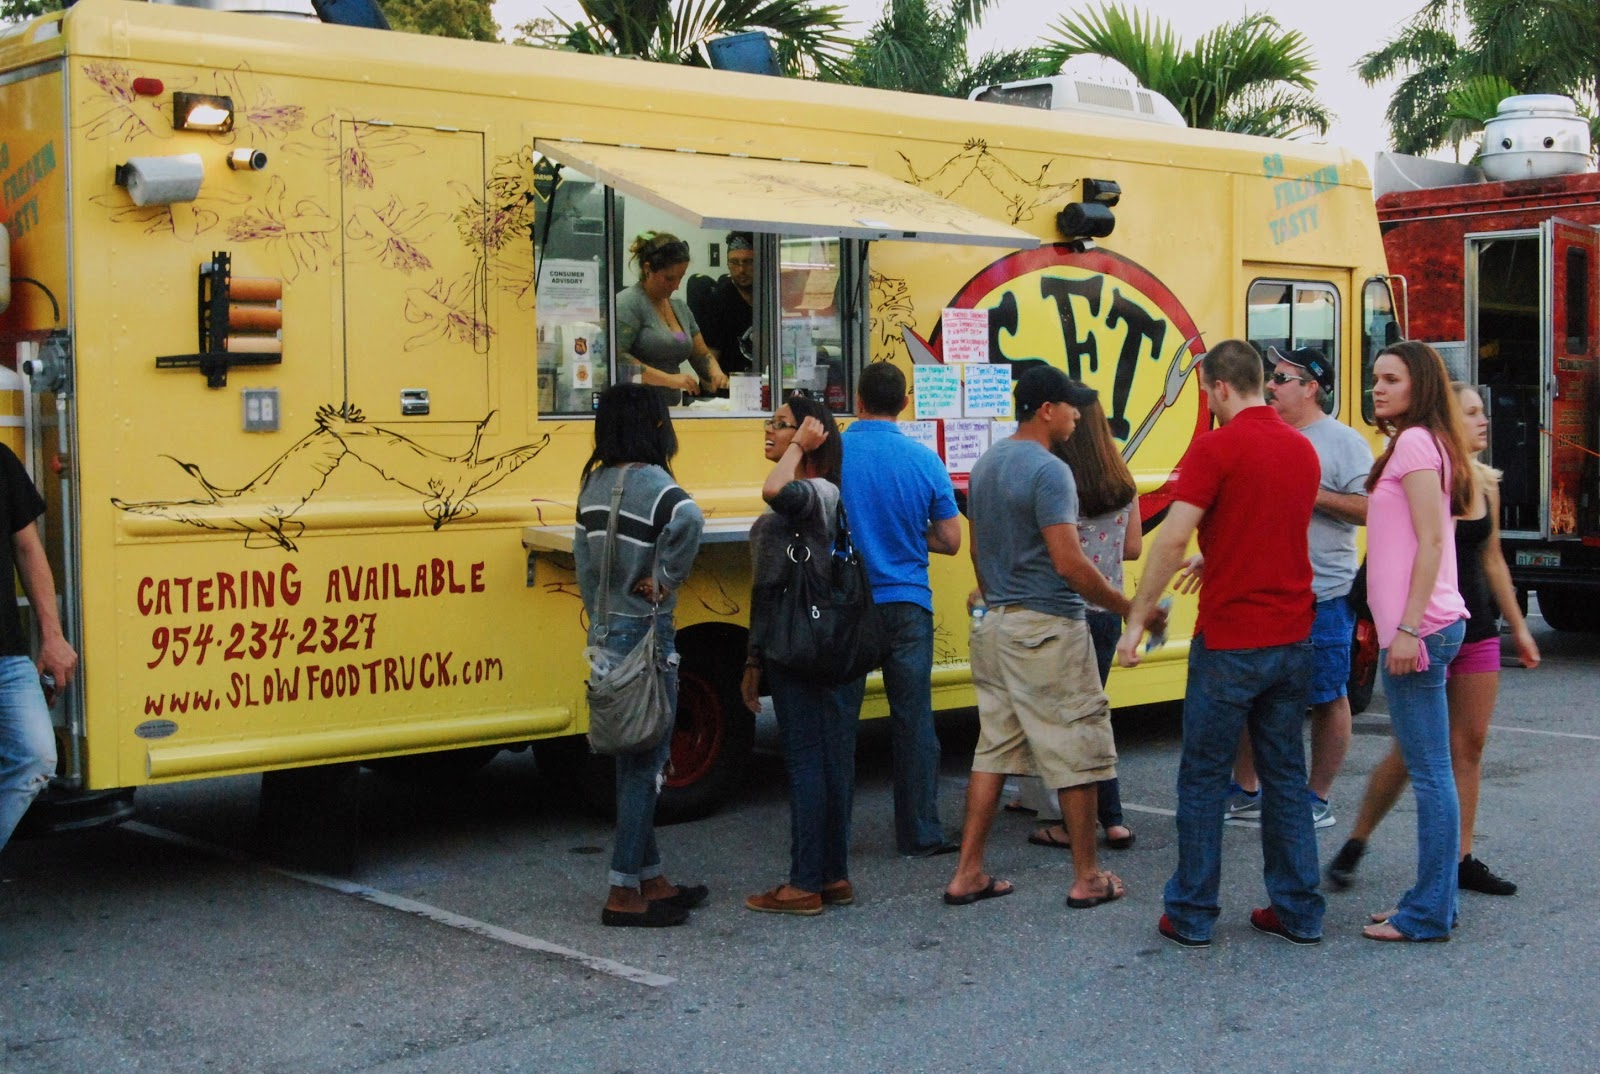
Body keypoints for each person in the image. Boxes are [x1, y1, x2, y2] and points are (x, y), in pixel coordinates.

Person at [1118, 339, 1325, 949]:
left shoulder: (1216, 447)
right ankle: (1298, 909)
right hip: (1292, 635)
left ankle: (1192, 911)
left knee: (1204, 778)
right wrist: (1223, 551)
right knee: (1286, 777)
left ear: (1220, 388)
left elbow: (1171, 539)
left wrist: (1138, 618)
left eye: (1207, 392)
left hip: (1231, 638)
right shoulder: (1301, 450)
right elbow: (1269, 526)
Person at [945, 366, 1149, 911]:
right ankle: (1087, 877)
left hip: (996, 627)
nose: (1078, 416)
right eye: (1071, 406)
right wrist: (1134, 609)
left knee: (993, 751)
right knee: (1077, 750)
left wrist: (994, 601)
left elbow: (976, 550)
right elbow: (1070, 564)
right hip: (1049, 628)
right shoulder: (1051, 471)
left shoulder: (986, 463)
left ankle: (968, 873)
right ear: (1046, 410)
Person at [1327, 381, 1539, 898]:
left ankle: (1461, 859)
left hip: (1475, 627)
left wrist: (1521, 627)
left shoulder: (1484, 483)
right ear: (1449, 417)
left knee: (1466, 746)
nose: (1483, 420)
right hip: (1427, 626)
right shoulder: (1425, 471)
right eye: (1471, 412)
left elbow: (1491, 559)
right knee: (1414, 751)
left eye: (1483, 411)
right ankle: (1358, 839)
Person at [1341, 341, 1475, 943]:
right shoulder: (1416, 443)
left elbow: (1431, 541)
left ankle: (1426, 914)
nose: (1378, 388)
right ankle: (1433, 902)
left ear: (1420, 385)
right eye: (1375, 379)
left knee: (1430, 774)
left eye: (1391, 378)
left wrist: (1408, 627)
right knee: (1432, 770)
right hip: (1426, 628)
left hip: (1422, 633)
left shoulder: (1419, 443)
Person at [573, 384, 707, 928]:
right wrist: (666, 576)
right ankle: (623, 891)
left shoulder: (594, 483)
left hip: (606, 634)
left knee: (632, 758)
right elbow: (691, 519)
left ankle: (651, 878)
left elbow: (583, 559)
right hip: (646, 636)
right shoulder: (658, 484)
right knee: (646, 762)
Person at [1224, 347, 1373, 829]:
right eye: (1271, 377)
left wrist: (1307, 490)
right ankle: (1246, 790)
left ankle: (1317, 799)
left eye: (1283, 378)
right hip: (1264, 590)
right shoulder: (1263, 435)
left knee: (1328, 694)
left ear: (1312, 387)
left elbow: (1370, 509)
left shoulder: (1343, 441)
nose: (1271, 385)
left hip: (1323, 593)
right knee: (1253, 693)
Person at [743, 392, 859, 916]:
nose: (770, 431)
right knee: (830, 760)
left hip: (800, 644)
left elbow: (773, 490)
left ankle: (804, 882)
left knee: (807, 762)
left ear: (810, 435)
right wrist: (751, 661)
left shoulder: (813, 490)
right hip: (826, 641)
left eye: (782, 425)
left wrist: (802, 448)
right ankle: (833, 875)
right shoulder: (823, 493)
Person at [840, 362, 962, 858]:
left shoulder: (832, 455)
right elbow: (951, 540)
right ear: (905, 401)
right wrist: (912, 537)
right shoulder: (924, 459)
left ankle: (832, 836)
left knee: (839, 720)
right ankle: (920, 832)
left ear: (858, 399)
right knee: (914, 721)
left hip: (847, 606)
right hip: (909, 602)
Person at [1014, 395, 1141, 853]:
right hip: (1107, 614)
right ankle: (1114, 818)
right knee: (1092, 715)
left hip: (1063, 609)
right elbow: (1132, 549)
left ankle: (1080, 819)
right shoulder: (1122, 479)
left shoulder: (1056, 478)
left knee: (1066, 722)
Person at [0, 444, 75, 859]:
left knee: (35, 756)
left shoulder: (0, 460)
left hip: (6, 655)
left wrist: (53, 636)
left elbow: (28, 549)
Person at [616, 231, 729, 403]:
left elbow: (701, 355)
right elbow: (619, 360)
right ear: (647, 269)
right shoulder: (628, 303)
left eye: (680, 277)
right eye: (669, 278)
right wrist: (668, 380)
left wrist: (716, 374)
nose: (676, 286)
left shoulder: (679, 306)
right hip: (635, 407)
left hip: (670, 406)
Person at [688, 230, 756, 376]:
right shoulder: (718, 300)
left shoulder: (769, 296)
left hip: (765, 384)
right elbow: (709, 359)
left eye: (748, 261)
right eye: (734, 262)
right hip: (729, 388)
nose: (741, 270)